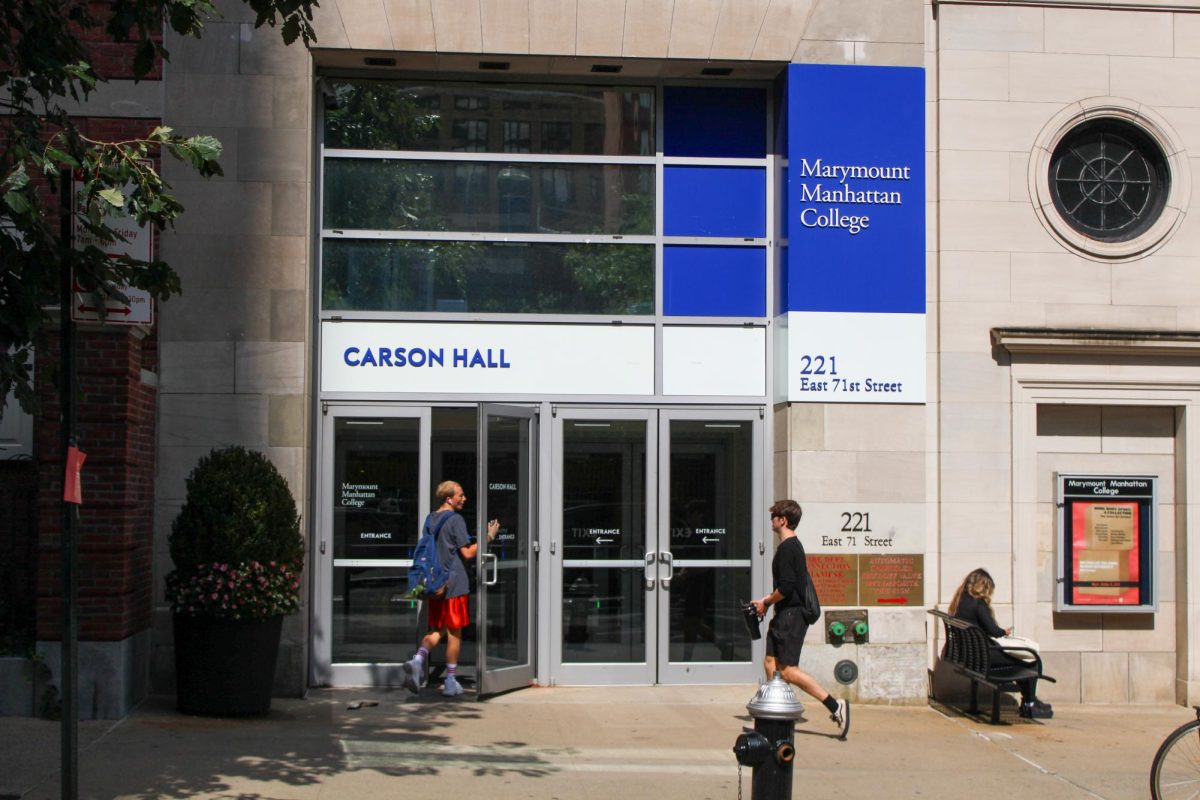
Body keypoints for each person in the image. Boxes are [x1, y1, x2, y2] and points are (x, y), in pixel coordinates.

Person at [751, 499, 850, 739]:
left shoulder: (788, 549)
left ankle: (836, 707)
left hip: (792, 616)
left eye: (774, 516)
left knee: (788, 671)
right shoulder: (790, 546)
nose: (771, 520)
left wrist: (765, 602)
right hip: (785, 614)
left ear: (783, 520)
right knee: (770, 664)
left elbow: (786, 588)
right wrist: (768, 601)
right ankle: (773, 711)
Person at [403, 480, 499, 697]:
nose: (464, 499)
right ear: (449, 498)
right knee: (455, 633)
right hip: (454, 583)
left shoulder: (430, 518)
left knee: (438, 629)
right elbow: (467, 553)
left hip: (436, 583)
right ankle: (450, 681)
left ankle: (417, 660)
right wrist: (489, 536)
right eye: (460, 495)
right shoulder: (456, 519)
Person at [949, 568, 1052, 719]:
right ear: (983, 587)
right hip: (984, 656)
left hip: (971, 656)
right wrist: (1004, 632)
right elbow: (993, 630)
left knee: (1025, 660)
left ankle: (1030, 701)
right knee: (1032, 660)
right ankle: (1029, 704)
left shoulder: (961, 600)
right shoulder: (979, 604)